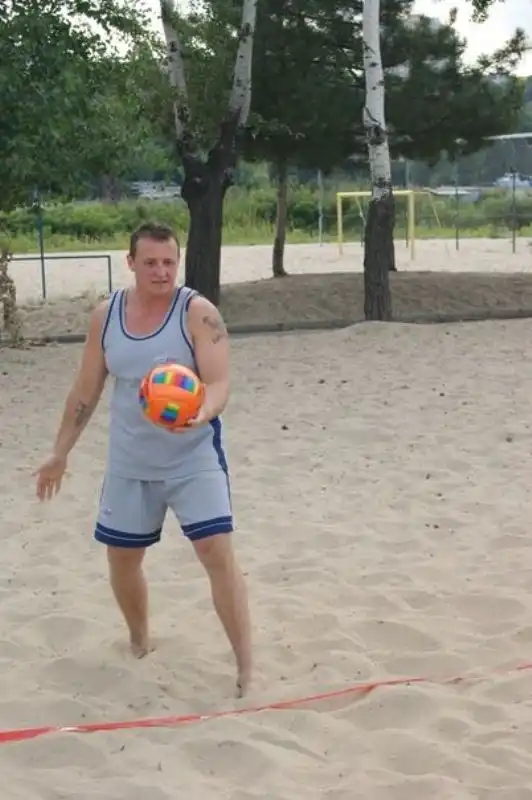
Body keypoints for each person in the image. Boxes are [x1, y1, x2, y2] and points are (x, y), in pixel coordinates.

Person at [34, 222, 252, 697]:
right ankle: (139, 640)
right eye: (150, 262)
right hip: (130, 463)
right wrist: (59, 452)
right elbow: (85, 391)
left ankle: (245, 667)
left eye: (169, 262)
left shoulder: (199, 313)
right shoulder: (106, 316)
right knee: (123, 557)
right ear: (130, 262)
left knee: (216, 551)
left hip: (193, 458)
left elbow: (219, 383)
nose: (161, 271)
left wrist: (203, 412)